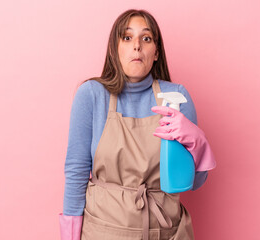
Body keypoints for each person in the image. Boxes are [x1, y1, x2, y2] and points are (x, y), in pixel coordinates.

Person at [58, 9, 216, 240]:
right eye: (127, 37)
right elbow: (76, 170)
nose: (137, 46)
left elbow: (194, 183)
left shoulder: (176, 97)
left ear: (156, 53)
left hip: (165, 231)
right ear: (115, 49)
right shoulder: (91, 95)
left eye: (146, 38)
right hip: (104, 231)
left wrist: (198, 143)